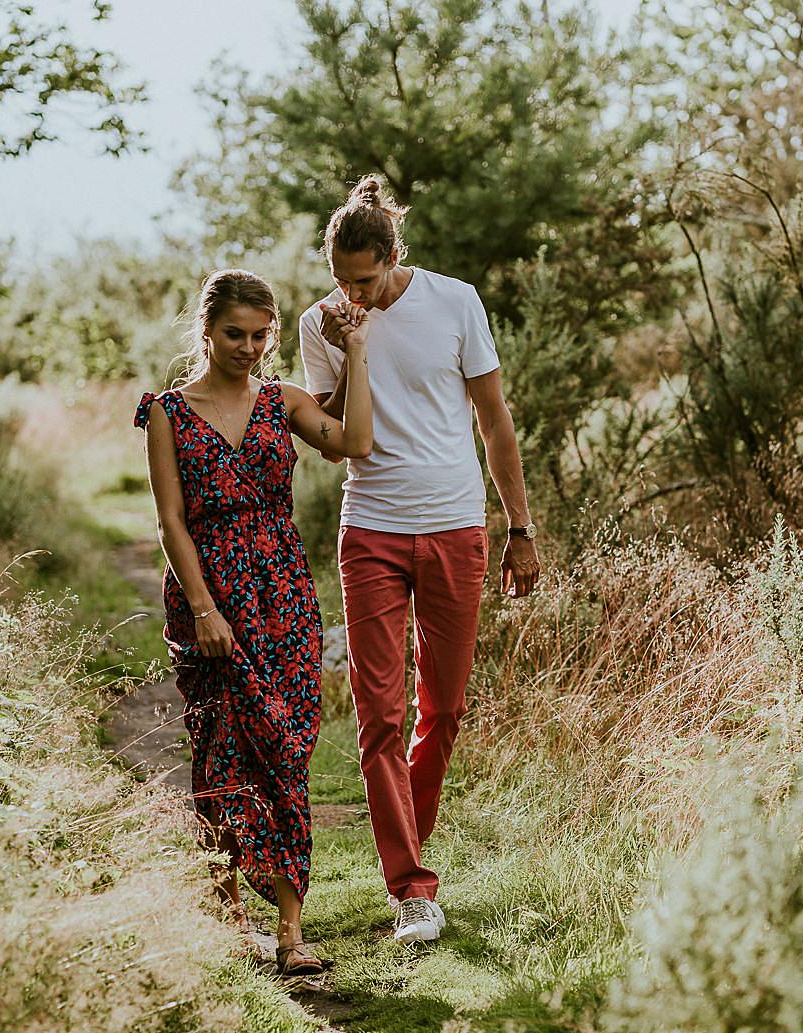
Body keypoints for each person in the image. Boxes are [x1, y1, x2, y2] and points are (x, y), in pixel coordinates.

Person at [298, 177, 542, 945]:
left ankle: (412, 835)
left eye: (364, 281)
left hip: (455, 526)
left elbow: (494, 420)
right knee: (380, 715)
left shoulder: (455, 301)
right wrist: (348, 351)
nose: (352, 295)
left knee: (445, 707)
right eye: (341, 280)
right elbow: (329, 427)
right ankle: (411, 885)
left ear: (394, 257)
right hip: (370, 527)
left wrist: (520, 526)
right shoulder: (322, 323)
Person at [135, 269, 371, 978]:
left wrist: (355, 351)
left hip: (285, 594)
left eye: (261, 334)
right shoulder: (169, 412)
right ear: (205, 330)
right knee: (220, 751)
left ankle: (292, 928)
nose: (249, 346)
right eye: (235, 333)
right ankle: (231, 912)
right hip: (210, 598)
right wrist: (203, 606)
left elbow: (354, 441)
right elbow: (170, 521)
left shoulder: (282, 400)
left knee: (287, 747)